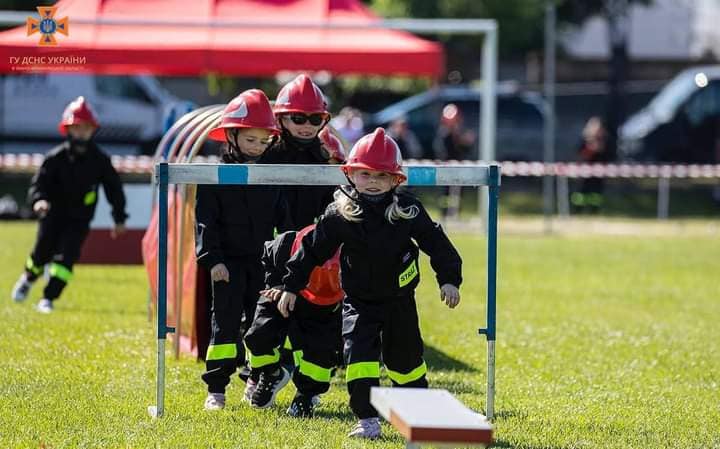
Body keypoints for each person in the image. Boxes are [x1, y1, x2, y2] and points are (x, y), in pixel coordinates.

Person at [264, 128, 463, 439]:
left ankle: (418, 415)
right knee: (359, 361)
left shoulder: (407, 210)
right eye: (365, 174)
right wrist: (291, 286)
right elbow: (311, 250)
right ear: (351, 174)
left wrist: (449, 280)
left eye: (381, 176)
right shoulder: (340, 214)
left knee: (406, 362)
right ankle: (368, 420)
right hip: (358, 302)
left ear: (396, 180)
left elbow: (436, 242)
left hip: (399, 301)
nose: (372, 181)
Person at [195, 89, 292, 411]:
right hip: (226, 263)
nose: (258, 148)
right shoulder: (214, 176)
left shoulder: (271, 175)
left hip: (262, 265)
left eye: (264, 142)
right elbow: (205, 221)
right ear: (232, 137)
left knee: (260, 324)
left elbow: (282, 220)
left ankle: (256, 378)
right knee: (224, 324)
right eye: (252, 140)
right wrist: (212, 259)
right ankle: (216, 389)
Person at [10, 96, 127, 313]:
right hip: (52, 216)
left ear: (93, 130)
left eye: (86, 128)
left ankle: (48, 298)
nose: (81, 132)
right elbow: (39, 184)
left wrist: (119, 217)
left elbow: (114, 189)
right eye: (77, 127)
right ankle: (28, 279)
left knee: (67, 258)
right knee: (41, 255)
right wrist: (39, 201)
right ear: (68, 129)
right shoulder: (54, 159)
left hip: (79, 220)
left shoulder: (100, 160)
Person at [244, 224, 343, 417]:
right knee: (258, 336)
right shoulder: (286, 244)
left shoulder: (353, 253)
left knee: (321, 354)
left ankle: (305, 395)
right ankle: (271, 374)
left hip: (326, 306)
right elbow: (267, 256)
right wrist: (278, 285)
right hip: (283, 291)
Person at [263, 74, 340, 228]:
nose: (308, 125)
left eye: (316, 119)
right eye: (298, 118)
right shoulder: (264, 157)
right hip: (266, 248)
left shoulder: (326, 159)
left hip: (310, 247)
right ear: (280, 120)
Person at [572, 116, 609, 213]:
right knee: (581, 191)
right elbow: (579, 155)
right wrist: (590, 149)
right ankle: (577, 209)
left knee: (596, 192)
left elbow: (608, 156)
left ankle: (594, 210)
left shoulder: (605, 141)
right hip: (584, 171)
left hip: (599, 172)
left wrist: (600, 149)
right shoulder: (584, 141)